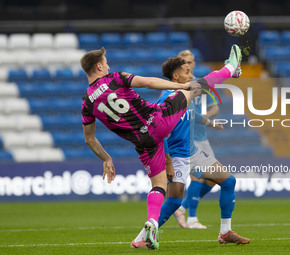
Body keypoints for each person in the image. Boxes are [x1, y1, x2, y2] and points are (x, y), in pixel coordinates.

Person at [131, 45, 250, 249]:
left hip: (192, 152)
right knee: (175, 202)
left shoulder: (185, 93)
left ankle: (225, 232)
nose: (191, 75)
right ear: (175, 76)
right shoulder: (168, 100)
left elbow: (210, 82)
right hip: (176, 156)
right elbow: (160, 135)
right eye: (187, 72)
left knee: (229, 181)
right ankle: (141, 238)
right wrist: (167, 161)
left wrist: (230, 68)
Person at [80, 47, 199, 250]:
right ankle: (230, 69)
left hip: (141, 142)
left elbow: (89, 139)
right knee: (195, 89)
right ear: (99, 66)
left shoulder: (87, 103)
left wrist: (106, 159)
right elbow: (148, 82)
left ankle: (152, 222)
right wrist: (182, 85)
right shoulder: (115, 78)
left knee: (158, 185)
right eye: (106, 62)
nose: (108, 65)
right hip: (156, 122)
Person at [174, 49, 219, 229]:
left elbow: (215, 107)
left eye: (191, 61)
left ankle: (182, 207)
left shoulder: (202, 84)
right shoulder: (176, 86)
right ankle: (192, 218)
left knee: (212, 179)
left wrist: (207, 117)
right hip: (188, 139)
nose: (189, 64)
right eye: (185, 61)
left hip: (203, 138)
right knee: (197, 178)